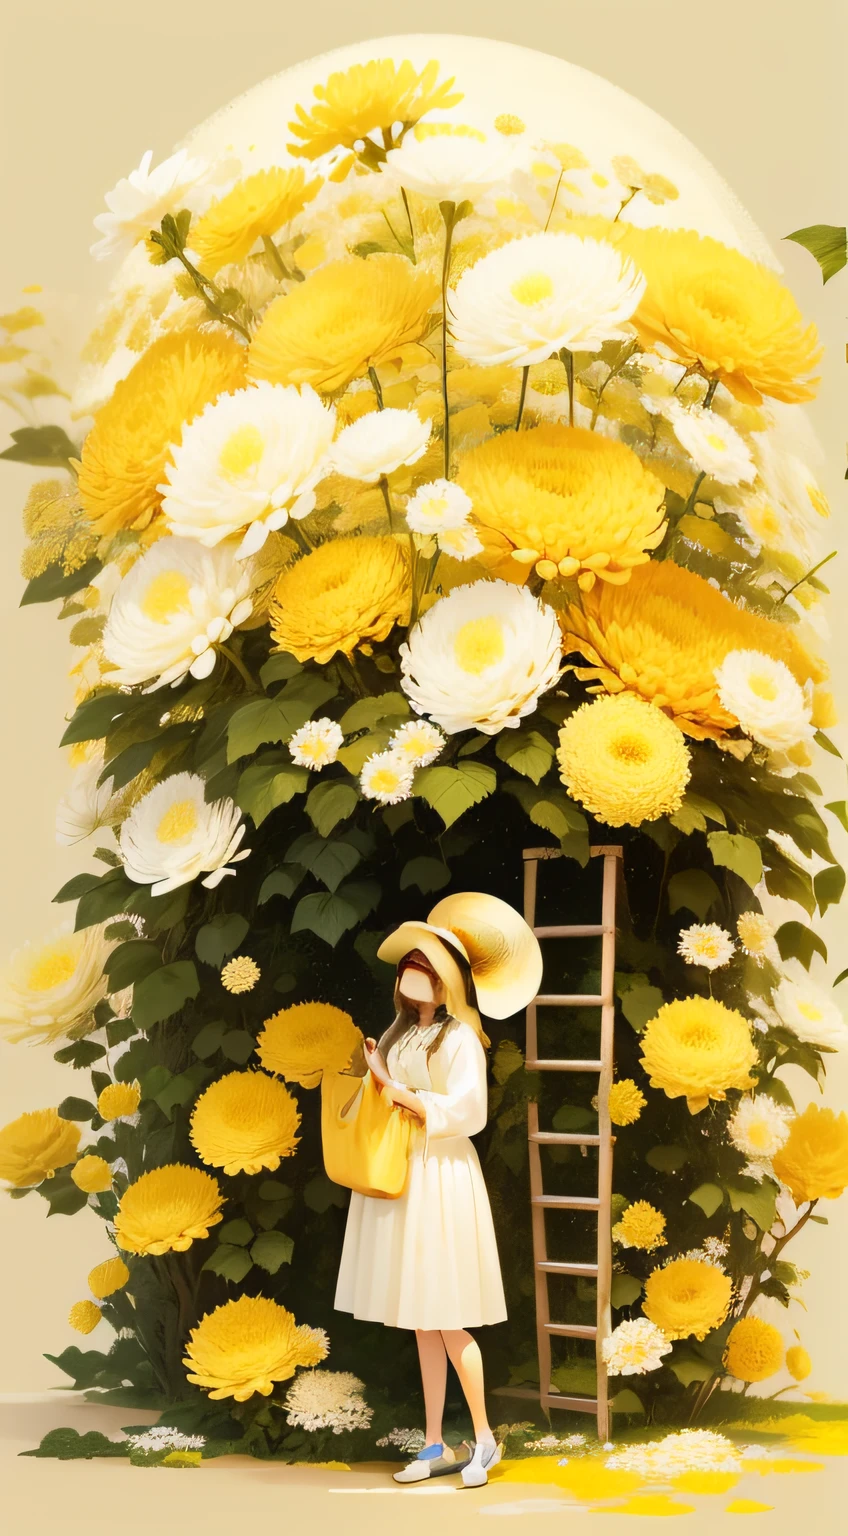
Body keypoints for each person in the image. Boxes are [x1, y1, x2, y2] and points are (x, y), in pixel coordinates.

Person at [333, 893, 542, 1487]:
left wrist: (393, 1088)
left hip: (443, 1173)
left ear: (447, 981)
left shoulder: (461, 1040)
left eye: (422, 968)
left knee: (448, 1315)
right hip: (406, 1172)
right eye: (406, 968)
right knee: (424, 1319)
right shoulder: (401, 1035)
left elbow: (468, 1111)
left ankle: (483, 1438)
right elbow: (390, 1098)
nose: (409, 976)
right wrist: (380, 1076)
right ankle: (434, 1443)